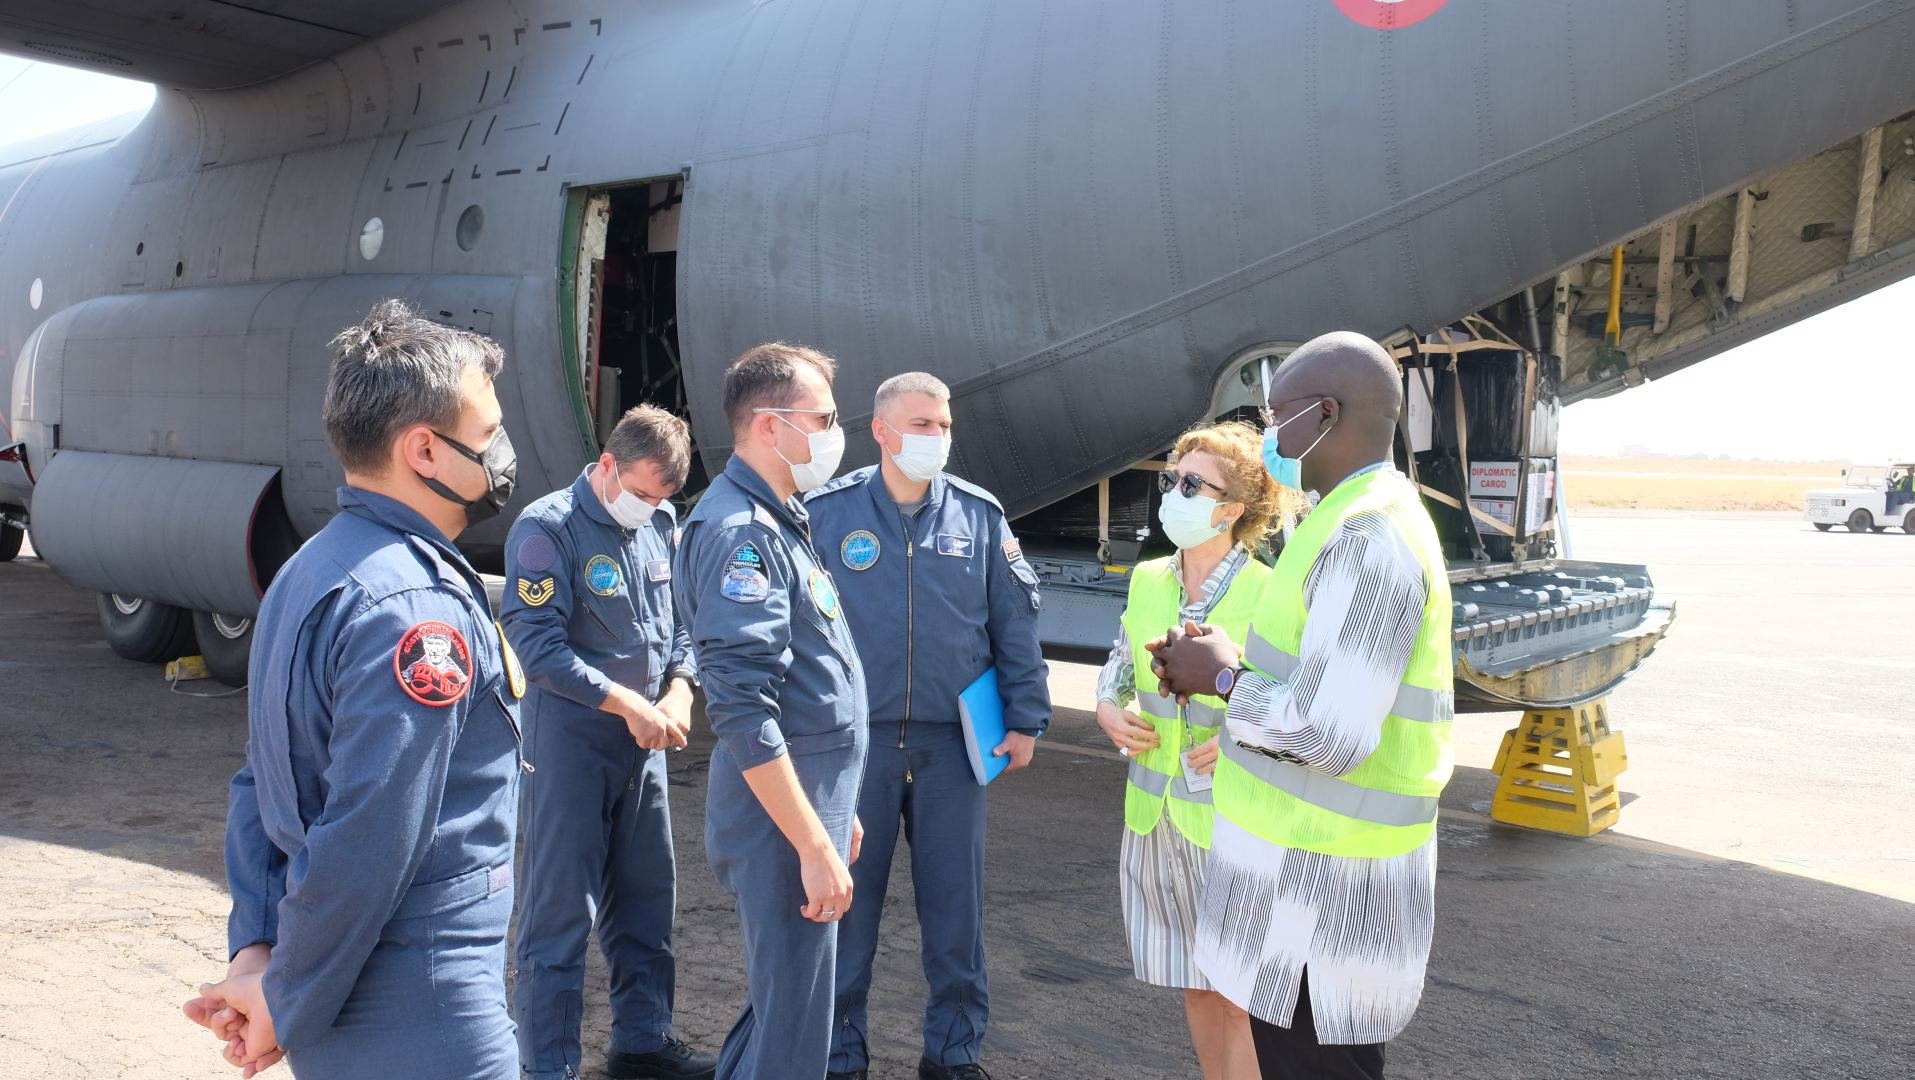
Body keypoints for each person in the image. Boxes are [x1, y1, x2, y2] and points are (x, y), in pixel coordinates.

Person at [184, 300, 528, 1078]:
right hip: (421, 1011)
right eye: (488, 434)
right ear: (425, 450)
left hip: (343, 1007)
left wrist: (258, 954)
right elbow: (372, 832)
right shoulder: (416, 607)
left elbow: (265, 778)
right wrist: (283, 996)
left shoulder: (314, 570)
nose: (500, 452)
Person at [1152, 331, 1456, 1080]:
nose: (1267, 437)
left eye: (1274, 416)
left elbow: (1329, 734)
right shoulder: (1343, 519)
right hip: (1306, 892)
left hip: (1325, 901)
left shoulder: (1367, 539)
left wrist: (1224, 681)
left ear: (1323, 414)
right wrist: (1224, 658)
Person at [806, 373, 1051, 1080]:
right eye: (922, 425)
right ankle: (838, 1057)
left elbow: (1014, 621)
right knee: (847, 913)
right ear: (881, 432)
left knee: (955, 918)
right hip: (857, 747)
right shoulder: (826, 513)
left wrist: (1026, 717)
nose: (937, 438)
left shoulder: (978, 515)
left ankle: (952, 1055)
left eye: (944, 426)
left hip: (951, 748)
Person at [501, 404, 717, 1080]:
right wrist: (627, 704)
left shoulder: (660, 524)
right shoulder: (547, 529)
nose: (647, 508)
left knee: (647, 904)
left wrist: (680, 688)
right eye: (641, 492)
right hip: (570, 748)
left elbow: (682, 625)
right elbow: (536, 647)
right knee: (558, 917)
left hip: (642, 751)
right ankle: (548, 1066)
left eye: (660, 499)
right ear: (607, 466)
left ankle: (643, 1044)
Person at [671, 342, 868, 1080]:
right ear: (768, 426)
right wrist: (813, 846)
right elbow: (742, 706)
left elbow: (809, 684)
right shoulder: (744, 536)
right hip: (781, 819)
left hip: (803, 803)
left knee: (781, 1015)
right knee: (791, 1036)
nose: (833, 433)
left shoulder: (776, 517)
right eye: (822, 418)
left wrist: (836, 809)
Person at [1095, 421, 1281, 1080]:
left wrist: (1240, 739)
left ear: (1232, 510)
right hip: (1158, 819)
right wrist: (1107, 706)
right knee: (1197, 987)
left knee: (1241, 998)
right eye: (1172, 480)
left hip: (1233, 824)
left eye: (1192, 485)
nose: (1174, 492)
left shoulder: (1270, 592)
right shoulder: (1148, 579)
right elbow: (1121, 663)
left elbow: (1292, 702)